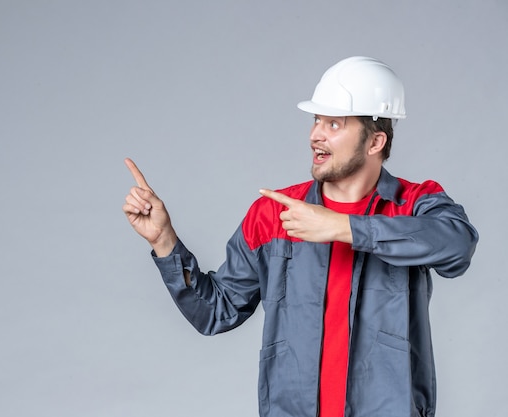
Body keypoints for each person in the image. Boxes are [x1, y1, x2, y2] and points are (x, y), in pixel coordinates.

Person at [122, 56, 478, 417]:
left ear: (375, 142)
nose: (315, 135)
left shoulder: (413, 204)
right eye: (316, 120)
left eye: (334, 123)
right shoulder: (274, 214)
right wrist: (164, 241)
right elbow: (217, 311)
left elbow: (458, 246)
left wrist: (343, 227)